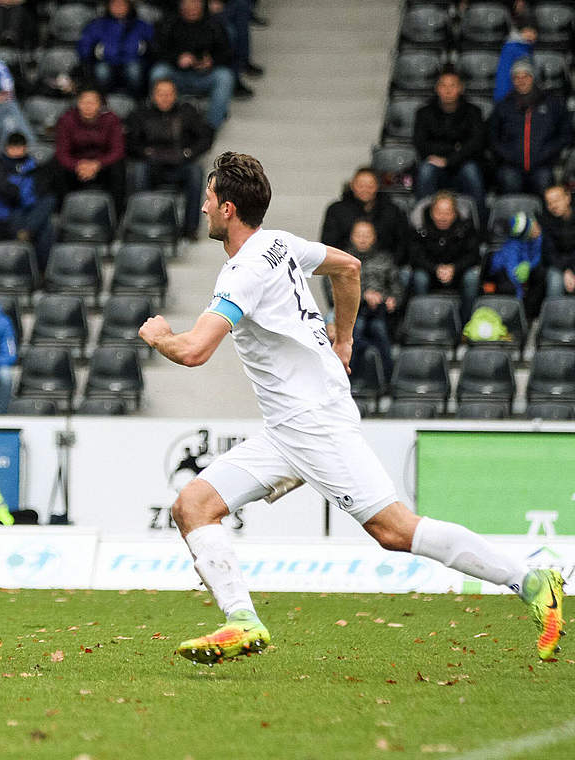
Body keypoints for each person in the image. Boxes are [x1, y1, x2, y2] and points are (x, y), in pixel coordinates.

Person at [138, 151, 564, 665]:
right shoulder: (279, 243)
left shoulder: (242, 274)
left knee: (395, 530)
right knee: (193, 505)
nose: (203, 207)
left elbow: (195, 350)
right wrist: (343, 340)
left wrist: (160, 336)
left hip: (313, 424)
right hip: (288, 428)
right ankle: (241, 621)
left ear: (228, 208)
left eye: (208, 198)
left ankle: (532, 580)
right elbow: (349, 266)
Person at [127, 78, 214, 238]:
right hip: (151, 165)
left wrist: (188, 153)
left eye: (169, 94)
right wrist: (146, 153)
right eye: (161, 94)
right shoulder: (141, 113)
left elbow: (205, 138)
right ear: (153, 96)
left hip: (180, 164)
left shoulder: (187, 112)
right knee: (138, 170)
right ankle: (141, 223)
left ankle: (190, 228)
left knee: (196, 172)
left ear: (175, 95)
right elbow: (130, 142)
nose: (165, 98)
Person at [149, 0, 237, 130]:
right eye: (187, 5)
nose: (192, 8)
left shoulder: (215, 25)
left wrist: (212, 61)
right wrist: (177, 59)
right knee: (158, 72)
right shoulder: (169, 23)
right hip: (176, 74)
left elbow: (227, 53)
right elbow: (157, 50)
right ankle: (161, 118)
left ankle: (210, 127)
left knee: (225, 76)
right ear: (181, 6)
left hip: (205, 75)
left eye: (196, 4)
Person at [413, 69, 487, 221]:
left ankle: (480, 226)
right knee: (425, 171)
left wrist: (448, 160)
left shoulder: (473, 112)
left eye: (452, 85)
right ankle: (422, 225)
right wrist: (455, 148)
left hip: (463, 163)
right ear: (437, 88)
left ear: (460, 88)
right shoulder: (424, 113)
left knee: (472, 172)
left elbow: (476, 144)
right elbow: (421, 144)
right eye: (443, 85)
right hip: (436, 164)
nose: (448, 90)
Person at [490, 58, 572, 195]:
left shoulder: (553, 104)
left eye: (526, 76)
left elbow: (565, 134)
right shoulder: (503, 106)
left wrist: (548, 152)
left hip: (543, 164)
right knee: (509, 182)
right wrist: (507, 155)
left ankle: (543, 217)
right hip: (511, 165)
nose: (521, 81)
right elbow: (492, 136)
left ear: (533, 77)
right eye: (517, 77)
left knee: (544, 181)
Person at [0, 132, 55, 270]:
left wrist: (26, 194)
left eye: (19, 147)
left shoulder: (33, 166)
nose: (16, 151)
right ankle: (27, 233)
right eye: (13, 147)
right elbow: (9, 194)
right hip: (5, 214)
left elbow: (41, 191)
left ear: (25, 148)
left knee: (49, 203)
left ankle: (41, 271)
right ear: (6, 148)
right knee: (44, 227)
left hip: (27, 211)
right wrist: (25, 193)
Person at [408, 190, 482, 316]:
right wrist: (435, 268)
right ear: (431, 212)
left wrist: (454, 268)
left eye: (447, 213)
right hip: (429, 272)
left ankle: (466, 324)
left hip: (458, 272)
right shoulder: (420, 226)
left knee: (473, 277)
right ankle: (425, 319)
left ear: (455, 213)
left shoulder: (466, 226)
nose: (442, 217)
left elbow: (473, 255)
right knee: (419, 277)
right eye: (438, 212)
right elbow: (415, 256)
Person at [345, 219, 401, 381]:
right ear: (351, 237)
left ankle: (388, 380)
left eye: (367, 235)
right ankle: (349, 381)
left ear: (374, 237)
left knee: (379, 329)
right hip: (351, 312)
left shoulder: (385, 259)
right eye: (359, 235)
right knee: (357, 329)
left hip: (380, 312)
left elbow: (397, 286)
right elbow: (332, 290)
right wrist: (363, 296)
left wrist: (392, 299)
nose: (362, 239)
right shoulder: (342, 259)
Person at [53, 88, 127, 206]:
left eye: (92, 102)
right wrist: (78, 165)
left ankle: (117, 214)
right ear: (78, 104)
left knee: (118, 166)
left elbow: (117, 150)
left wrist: (97, 164)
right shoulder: (66, 120)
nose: (88, 106)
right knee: (57, 165)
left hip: (103, 165)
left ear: (100, 105)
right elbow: (62, 153)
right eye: (83, 102)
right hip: (76, 166)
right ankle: (62, 210)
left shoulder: (111, 119)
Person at [320, 167, 409, 260]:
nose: (365, 190)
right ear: (352, 185)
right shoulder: (336, 210)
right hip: (345, 264)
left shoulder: (391, 210)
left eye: (370, 186)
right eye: (361, 185)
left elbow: (401, 242)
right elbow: (328, 244)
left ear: (377, 186)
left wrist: (390, 263)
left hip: (385, 265)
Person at [77, 0, 153, 98]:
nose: (118, 8)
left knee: (134, 71)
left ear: (129, 6)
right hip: (105, 61)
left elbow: (153, 45)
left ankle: (138, 100)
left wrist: (145, 53)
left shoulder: (141, 25)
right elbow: (85, 45)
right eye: (114, 5)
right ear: (108, 7)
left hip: (133, 60)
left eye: (122, 4)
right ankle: (102, 101)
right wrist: (91, 54)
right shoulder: (98, 25)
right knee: (102, 71)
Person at [486, 211, 546, 321]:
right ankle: (516, 317)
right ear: (526, 236)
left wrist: (529, 265)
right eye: (532, 230)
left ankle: (530, 316)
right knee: (510, 289)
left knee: (541, 275)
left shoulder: (537, 237)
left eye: (535, 225)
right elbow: (512, 273)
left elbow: (538, 256)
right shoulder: (512, 246)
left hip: (522, 269)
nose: (537, 230)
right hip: (501, 274)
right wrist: (519, 299)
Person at [538, 184, 575, 300]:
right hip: (557, 266)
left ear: (567, 197)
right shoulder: (546, 221)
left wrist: (572, 269)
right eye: (549, 203)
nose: (553, 206)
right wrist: (566, 270)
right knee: (555, 280)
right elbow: (549, 253)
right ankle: (554, 317)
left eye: (557, 200)